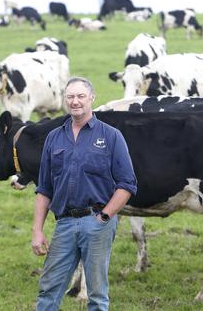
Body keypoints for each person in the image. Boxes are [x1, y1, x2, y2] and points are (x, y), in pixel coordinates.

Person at [32, 76, 137, 311]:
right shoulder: (54, 138)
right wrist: (37, 230)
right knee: (48, 288)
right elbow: (44, 189)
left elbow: (127, 184)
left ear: (92, 98)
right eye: (70, 96)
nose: (75, 101)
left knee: (97, 294)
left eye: (80, 96)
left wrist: (105, 217)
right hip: (65, 223)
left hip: (97, 221)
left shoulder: (111, 136)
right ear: (65, 100)